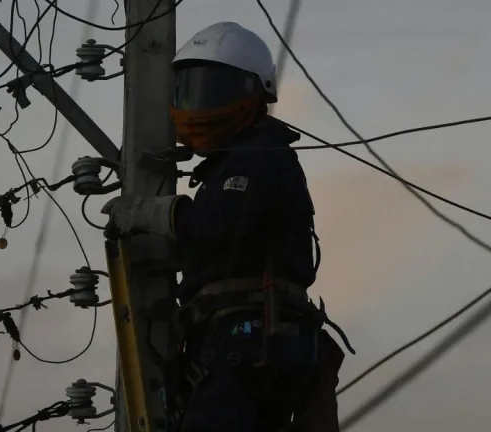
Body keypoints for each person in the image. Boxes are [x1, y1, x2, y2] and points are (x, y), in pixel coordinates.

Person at [101, 22, 353, 432]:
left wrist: (153, 214)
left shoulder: (261, 153)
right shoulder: (233, 163)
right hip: (244, 340)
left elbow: (217, 225)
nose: (199, 106)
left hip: (250, 340)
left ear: (253, 96)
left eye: (213, 91)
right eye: (190, 90)